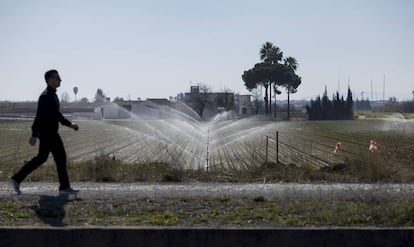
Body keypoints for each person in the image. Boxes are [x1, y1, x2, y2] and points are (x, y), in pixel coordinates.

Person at [9, 69, 79, 195]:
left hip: (48, 133)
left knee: (41, 158)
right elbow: (39, 116)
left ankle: (16, 178)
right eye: (57, 78)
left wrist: (69, 124)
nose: (60, 80)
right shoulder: (46, 96)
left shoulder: (52, 95)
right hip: (49, 133)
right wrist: (34, 135)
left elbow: (56, 115)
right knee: (60, 157)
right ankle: (64, 187)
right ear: (50, 79)